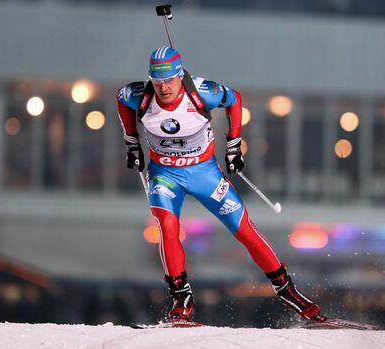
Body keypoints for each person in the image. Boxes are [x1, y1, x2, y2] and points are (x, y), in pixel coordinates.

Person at [116, 46, 326, 323]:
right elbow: (121, 99)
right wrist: (131, 141)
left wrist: (234, 144)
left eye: (168, 80)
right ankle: (181, 300)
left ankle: (288, 292)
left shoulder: (201, 91)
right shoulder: (139, 95)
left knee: (245, 231)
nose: (163, 88)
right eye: (157, 82)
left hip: (204, 173)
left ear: (180, 75)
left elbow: (234, 99)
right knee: (167, 227)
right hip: (165, 173)